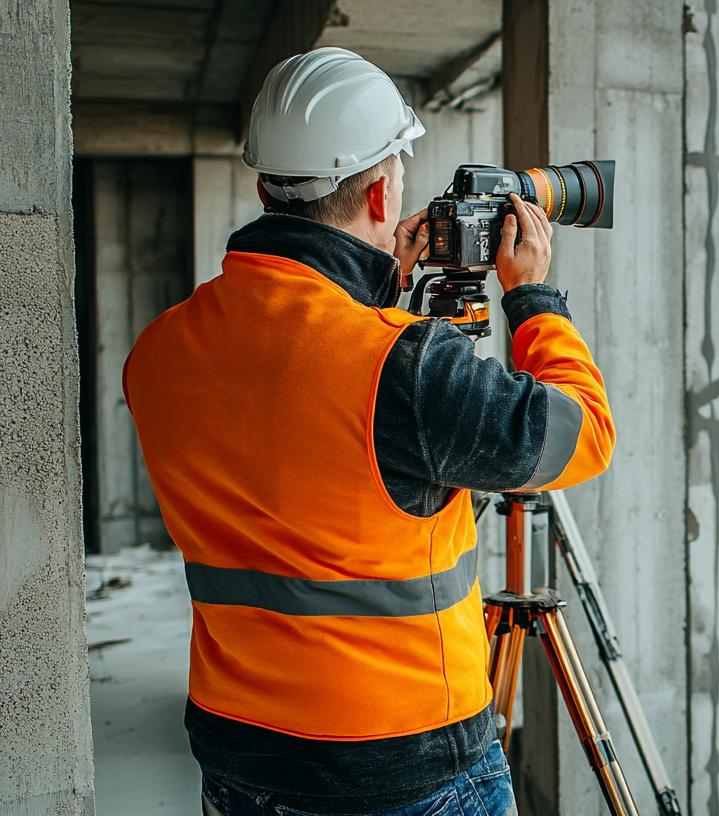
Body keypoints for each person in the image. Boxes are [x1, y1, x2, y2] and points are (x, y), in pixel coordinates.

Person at [125, 47, 614, 816]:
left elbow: (311, 423)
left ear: (263, 187)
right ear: (384, 191)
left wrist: (385, 287)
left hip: (239, 749)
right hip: (401, 764)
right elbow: (579, 436)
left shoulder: (158, 350)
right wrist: (534, 297)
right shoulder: (403, 365)